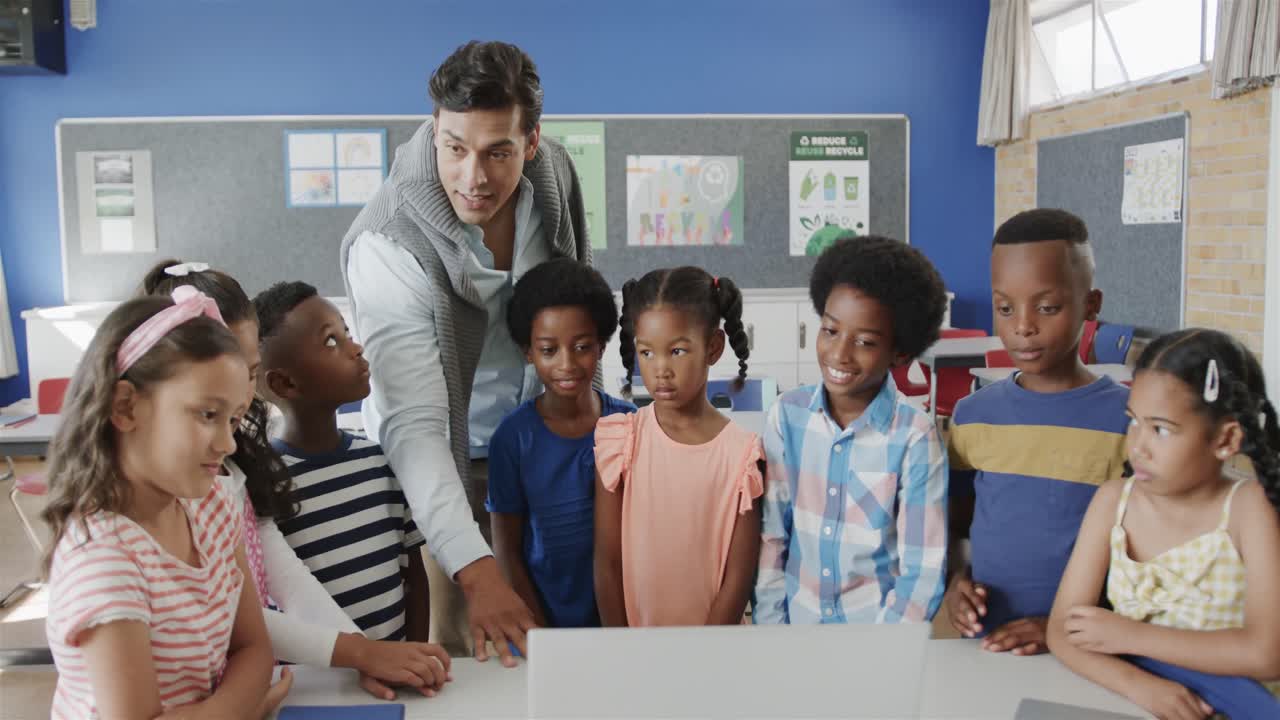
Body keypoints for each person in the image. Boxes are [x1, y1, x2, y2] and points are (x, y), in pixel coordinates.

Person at [340, 40, 589, 662]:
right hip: (450, 465)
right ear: (434, 131)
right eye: (454, 148)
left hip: (545, 446)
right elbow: (415, 424)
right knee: (471, 652)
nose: (473, 178)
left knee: (569, 635)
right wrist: (477, 574)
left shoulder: (553, 173)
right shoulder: (388, 240)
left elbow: (576, 294)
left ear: (532, 142)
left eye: (498, 152)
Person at [146, 261, 450, 700]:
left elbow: (279, 583)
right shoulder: (133, 521)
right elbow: (236, 621)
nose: (241, 397)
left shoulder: (230, 474)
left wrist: (366, 655)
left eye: (248, 372)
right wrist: (360, 654)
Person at [42, 289, 281, 718]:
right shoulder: (103, 558)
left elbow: (254, 648)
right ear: (125, 407)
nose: (227, 443)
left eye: (232, 419)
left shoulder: (213, 506)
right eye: (207, 415)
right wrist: (243, 708)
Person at [1048, 328, 1280, 720]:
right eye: (1133, 421)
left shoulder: (1249, 509)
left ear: (1225, 440)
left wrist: (1131, 636)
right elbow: (1062, 630)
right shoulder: (1111, 502)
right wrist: (1142, 687)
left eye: (1160, 429)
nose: (1137, 446)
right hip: (1132, 703)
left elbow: (1267, 653)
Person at [946, 208, 1129, 654]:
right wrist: (955, 580)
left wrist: (1061, 628)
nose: (1023, 326)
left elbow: (1146, 554)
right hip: (989, 643)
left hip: (1093, 650)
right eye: (1005, 308)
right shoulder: (972, 415)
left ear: (1091, 304)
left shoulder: (1130, 420)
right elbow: (956, 524)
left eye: (1047, 307)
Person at [753, 234, 949, 624]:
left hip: (878, 638)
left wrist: (882, 650)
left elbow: (922, 574)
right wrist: (773, 632)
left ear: (900, 351)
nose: (840, 354)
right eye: (830, 331)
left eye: (865, 342)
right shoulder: (787, 417)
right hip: (797, 634)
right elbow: (772, 539)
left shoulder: (914, 436)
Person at [594, 266, 763, 626]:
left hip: (714, 648)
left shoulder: (744, 456)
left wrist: (703, 650)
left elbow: (738, 579)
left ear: (713, 347)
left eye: (677, 351)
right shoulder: (620, 442)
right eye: (647, 353)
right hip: (633, 647)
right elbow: (607, 563)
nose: (661, 369)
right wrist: (619, 646)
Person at [486, 258, 635, 628]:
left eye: (581, 346)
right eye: (549, 350)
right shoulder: (512, 439)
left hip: (624, 622)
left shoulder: (629, 424)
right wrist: (540, 634)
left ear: (601, 346)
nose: (566, 363)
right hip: (544, 622)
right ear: (528, 351)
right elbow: (507, 552)